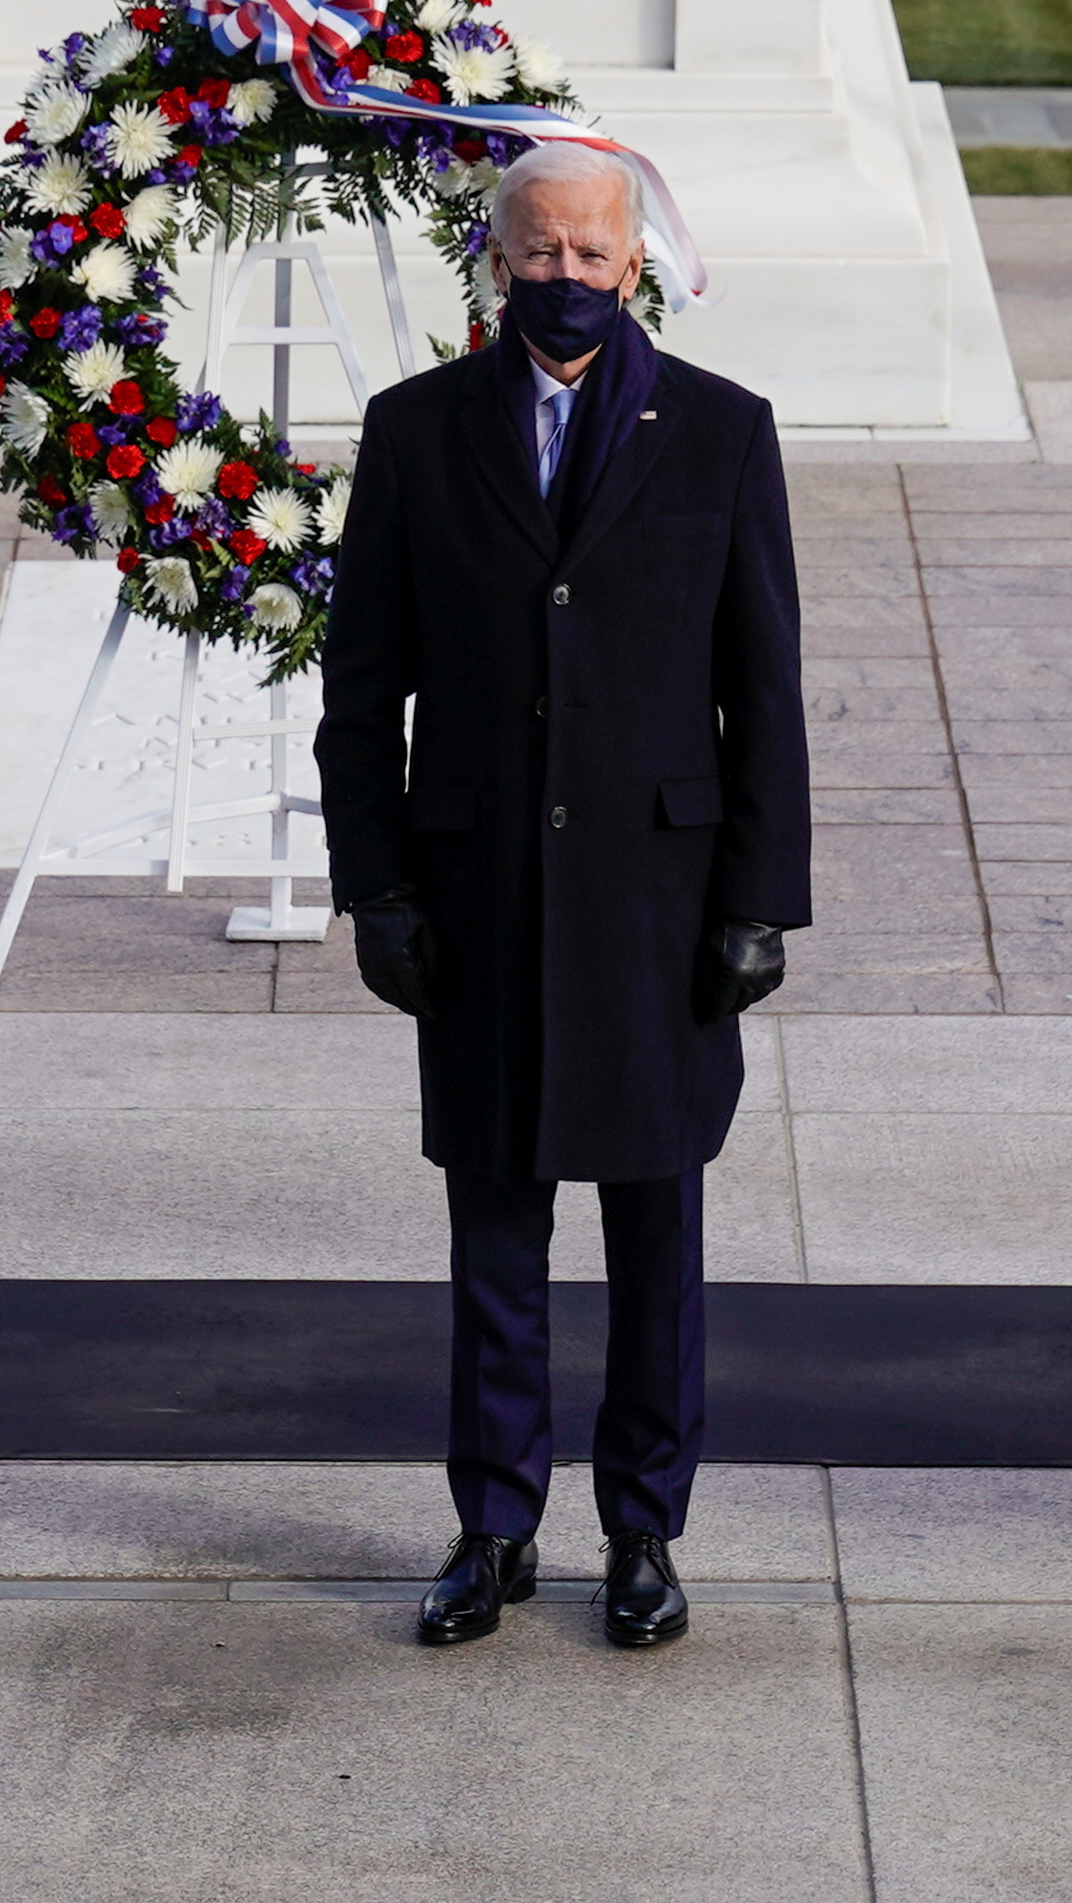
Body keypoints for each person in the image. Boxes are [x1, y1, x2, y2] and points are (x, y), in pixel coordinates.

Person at [318, 144, 811, 1653]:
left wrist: (761, 902)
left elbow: (763, 687)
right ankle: (494, 1526)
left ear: (635, 262)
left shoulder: (722, 432)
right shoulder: (414, 433)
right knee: (493, 1232)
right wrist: (378, 887)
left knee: (657, 1233)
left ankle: (645, 1529)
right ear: (496, 258)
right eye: (540, 254)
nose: (567, 280)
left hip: (657, 909)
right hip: (478, 896)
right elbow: (361, 689)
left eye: (593, 256)